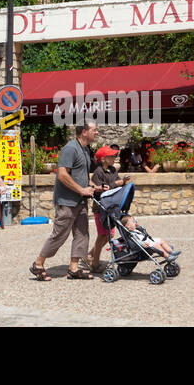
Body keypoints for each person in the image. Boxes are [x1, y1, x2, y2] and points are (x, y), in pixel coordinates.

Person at [31, 120, 100, 281]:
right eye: (94, 130)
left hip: (80, 200)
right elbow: (62, 174)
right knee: (60, 234)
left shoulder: (84, 150)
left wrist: (94, 186)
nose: (96, 133)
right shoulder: (70, 149)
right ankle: (38, 264)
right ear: (84, 132)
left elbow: (81, 177)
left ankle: (74, 268)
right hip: (67, 201)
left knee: (82, 234)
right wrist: (82, 190)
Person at [87, 145, 129, 272]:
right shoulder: (98, 173)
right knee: (102, 235)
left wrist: (123, 182)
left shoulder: (112, 170)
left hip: (111, 207)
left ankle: (90, 254)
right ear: (103, 159)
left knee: (108, 235)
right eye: (111, 156)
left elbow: (117, 184)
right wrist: (114, 184)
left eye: (114, 156)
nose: (114, 158)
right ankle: (95, 263)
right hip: (100, 208)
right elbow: (98, 189)